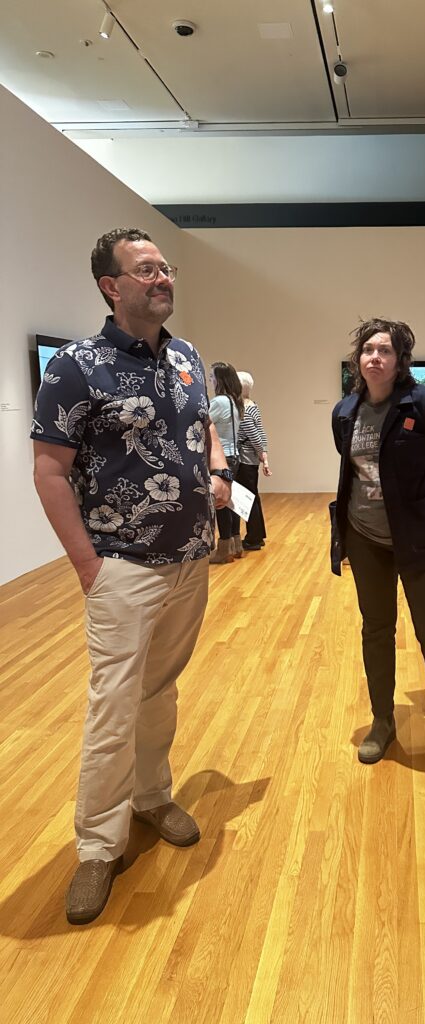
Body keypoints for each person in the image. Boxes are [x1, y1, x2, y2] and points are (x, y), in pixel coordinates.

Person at [30, 227, 232, 925]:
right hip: (122, 565)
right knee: (113, 707)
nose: (162, 277)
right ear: (111, 287)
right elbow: (49, 470)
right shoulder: (77, 366)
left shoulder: (186, 357)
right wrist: (88, 565)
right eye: (146, 269)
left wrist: (216, 469)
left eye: (165, 267)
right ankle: (97, 845)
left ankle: (152, 797)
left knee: (160, 690)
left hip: (188, 560)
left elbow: (202, 428)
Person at [331, 318, 425, 772]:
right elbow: (351, 468)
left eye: (385, 350)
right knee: (376, 629)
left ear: (400, 359)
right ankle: (383, 719)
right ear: (358, 358)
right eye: (368, 349)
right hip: (365, 536)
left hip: (421, 539)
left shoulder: (424, 403)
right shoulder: (345, 410)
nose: (375, 357)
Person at [208, 362, 243, 563]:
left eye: (212, 376)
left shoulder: (220, 401)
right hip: (234, 456)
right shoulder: (233, 401)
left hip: (222, 459)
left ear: (219, 379)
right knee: (231, 502)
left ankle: (224, 550)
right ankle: (236, 545)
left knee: (220, 503)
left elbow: (201, 423)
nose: (210, 380)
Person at [235, 370, 271, 551]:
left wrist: (262, 453)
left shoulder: (243, 409)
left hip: (244, 458)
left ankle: (254, 537)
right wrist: (264, 454)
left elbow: (254, 433)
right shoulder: (253, 405)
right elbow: (261, 433)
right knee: (252, 496)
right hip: (251, 457)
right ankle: (257, 535)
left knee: (247, 497)